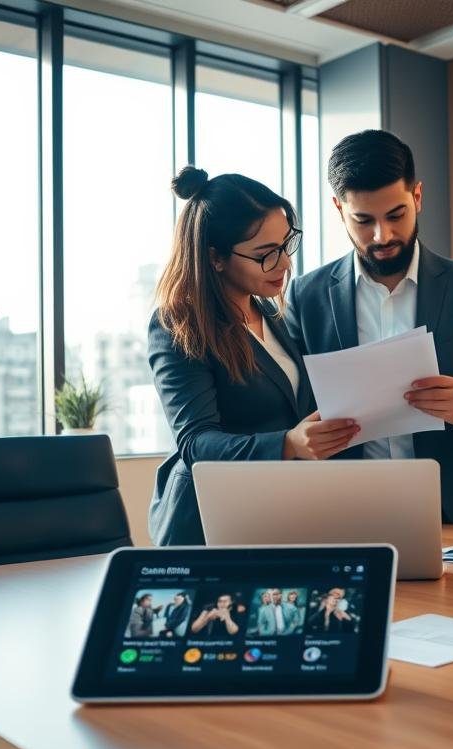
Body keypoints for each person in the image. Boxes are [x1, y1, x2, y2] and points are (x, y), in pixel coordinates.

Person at [286, 130, 453, 528]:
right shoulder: (304, 297)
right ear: (338, 209)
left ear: (417, 197)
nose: (383, 236)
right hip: (343, 510)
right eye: (363, 221)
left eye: (396, 215)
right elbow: (290, 409)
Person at [148, 167, 360, 545]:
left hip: (270, 511)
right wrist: (287, 444)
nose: (284, 264)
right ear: (215, 258)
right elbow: (196, 442)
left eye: (286, 244)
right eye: (265, 255)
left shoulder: (270, 315)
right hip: (207, 524)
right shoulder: (177, 324)